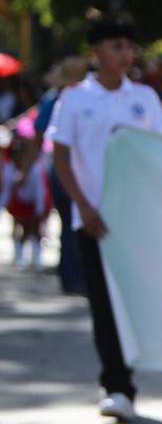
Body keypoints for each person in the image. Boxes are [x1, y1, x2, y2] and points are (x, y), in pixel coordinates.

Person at [47, 13, 162, 420]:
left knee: (133, 302)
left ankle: (129, 371)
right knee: (103, 303)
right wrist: (82, 205)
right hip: (95, 221)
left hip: (136, 221)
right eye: (115, 46)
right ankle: (116, 384)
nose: (124, 54)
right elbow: (61, 155)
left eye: (128, 46)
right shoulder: (75, 99)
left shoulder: (145, 99)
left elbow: (160, 152)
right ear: (95, 52)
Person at [34, 56, 89, 294]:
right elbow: (42, 136)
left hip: (78, 169)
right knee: (70, 222)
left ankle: (74, 274)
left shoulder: (83, 99)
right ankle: (71, 275)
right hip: (63, 168)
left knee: (75, 223)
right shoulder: (60, 101)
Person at [5, 124, 52, 270]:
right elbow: (6, 190)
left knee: (34, 228)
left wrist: (40, 210)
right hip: (18, 202)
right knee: (19, 225)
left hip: (35, 203)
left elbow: (41, 192)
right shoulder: (10, 168)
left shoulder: (37, 170)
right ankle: (19, 257)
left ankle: (37, 258)